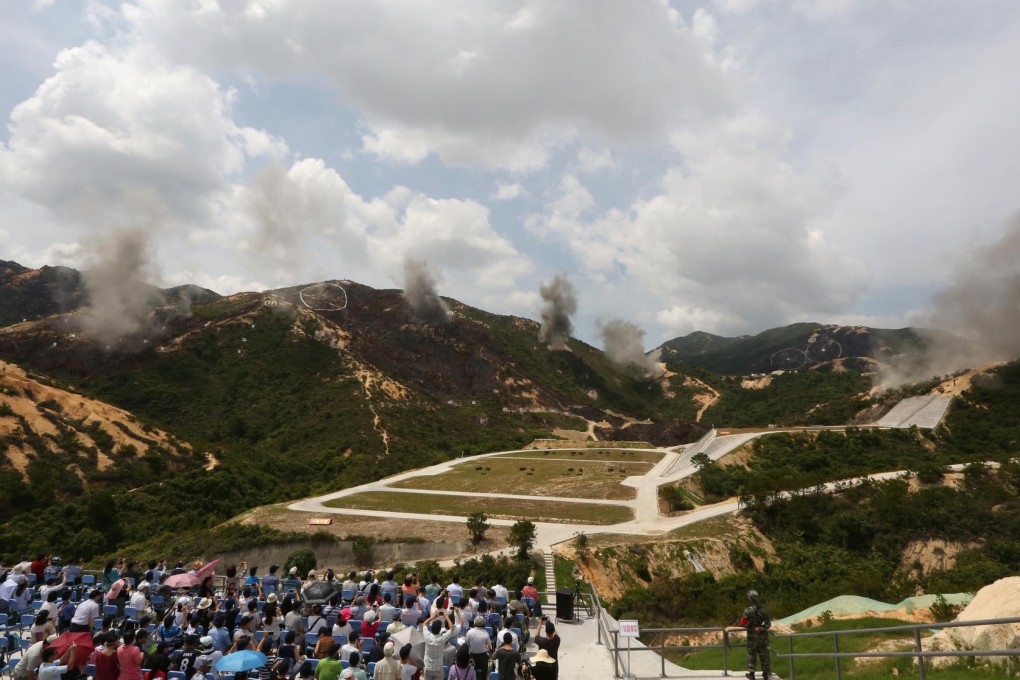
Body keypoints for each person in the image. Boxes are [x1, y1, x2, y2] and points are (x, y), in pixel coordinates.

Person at [741, 590, 771, 680]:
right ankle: (765, 675)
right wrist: (761, 628)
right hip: (762, 637)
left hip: (752, 638)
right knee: (764, 655)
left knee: (751, 655)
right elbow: (768, 624)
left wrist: (753, 628)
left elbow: (743, 623)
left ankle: (752, 675)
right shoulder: (763, 610)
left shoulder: (747, 611)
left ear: (750, 598)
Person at [422, 612, 455, 680]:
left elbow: (424, 624)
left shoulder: (427, 636)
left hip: (428, 667)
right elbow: (451, 628)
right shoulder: (442, 638)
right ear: (440, 630)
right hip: (438, 668)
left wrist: (433, 616)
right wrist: (446, 616)